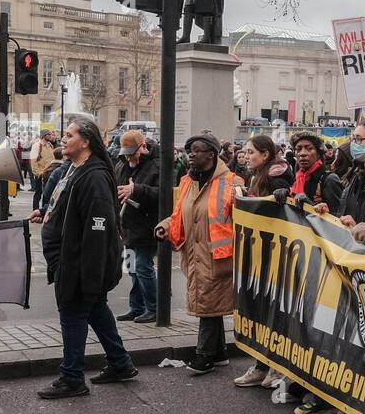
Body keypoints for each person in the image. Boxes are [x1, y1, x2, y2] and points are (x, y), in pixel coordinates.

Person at [37, 118, 137, 399]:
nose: (63, 140)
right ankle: (121, 363)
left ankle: (72, 378)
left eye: (69, 135)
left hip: (78, 265)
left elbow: (98, 227)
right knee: (95, 312)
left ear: (86, 141)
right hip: (71, 261)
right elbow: (67, 207)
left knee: (72, 316)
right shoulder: (74, 168)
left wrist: (87, 275)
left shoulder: (93, 176)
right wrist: (49, 216)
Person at [157, 135, 244, 374]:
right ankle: (218, 354)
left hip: (219, 255)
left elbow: (244, 219)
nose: (191, 155)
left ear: (211, 155)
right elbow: (181, 213)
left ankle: (203, 355)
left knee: (207, 303)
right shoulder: (188, 181)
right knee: (209, 304)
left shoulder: (233, 183)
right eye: (189, 151)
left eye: (196, 150)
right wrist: (166, 226)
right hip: (195, 254)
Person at [232, 134, 294, 388]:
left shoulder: (276, 173)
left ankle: (276, 366)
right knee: (258, 311)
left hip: (274, 252)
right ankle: (260, 364)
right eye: (245, 152)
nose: (246, 156)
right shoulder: (256, 175)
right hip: (258, 250)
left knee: (273, 311)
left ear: (266, 155)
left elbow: (285, 196)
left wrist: (283, 191)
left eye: (251, 152)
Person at [113, 130, 162, 324]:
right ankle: (137, 307)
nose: (128, 156)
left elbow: (164, 195)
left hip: (147, 225)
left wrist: (136, 189)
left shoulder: (158, 166)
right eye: (126, 152)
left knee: (143, 267)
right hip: (128, 226)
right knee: (132, 268)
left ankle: (154, 308)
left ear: (143, 147)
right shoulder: (122, 165)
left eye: (132, 152)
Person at [30, 130, 59, 211]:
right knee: (38, 193)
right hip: (41, 174)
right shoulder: (36, 146)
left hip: (50, 173)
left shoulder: (50, 145)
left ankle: (43, 211)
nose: (51, 135)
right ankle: (35, 211)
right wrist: (39, 173)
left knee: (47, 194)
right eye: (48, 134)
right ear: (43, 135)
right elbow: (33, 162)